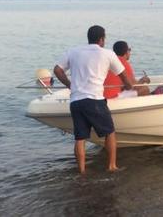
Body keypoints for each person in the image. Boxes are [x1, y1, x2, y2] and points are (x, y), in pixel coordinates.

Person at [53, 25, 132, 174]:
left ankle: (82, 171)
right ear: (102, 39)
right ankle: (111, 166)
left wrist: (70, 85)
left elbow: (57, 70)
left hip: (76, 101)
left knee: (80, 137)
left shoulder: (74, 51)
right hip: (95, 99)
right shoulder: (107, 54)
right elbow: (123, 75)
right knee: (109, 132)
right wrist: (128, 86)